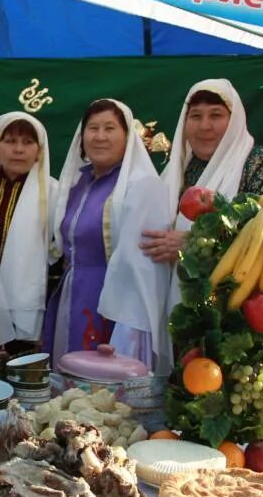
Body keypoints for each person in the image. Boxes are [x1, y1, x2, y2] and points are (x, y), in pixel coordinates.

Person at [42, 99, 171, 371]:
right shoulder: (78, 184)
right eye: (93, 128)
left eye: (110, 128)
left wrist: (130, 330)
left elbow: (144, 268)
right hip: (70, 293)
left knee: (100, 392)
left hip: (113, 304)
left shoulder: (141, 186)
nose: (100, 136)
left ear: (128, 137)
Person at [143, 79, 263, 289]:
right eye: (196, 116)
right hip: (174, 302)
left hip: (240, 303)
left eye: (216, 115)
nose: (205, 126)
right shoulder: (178, 172)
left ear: (235, 121)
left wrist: (193, 244)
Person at [0, 112, 57, 343]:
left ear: (40, 150)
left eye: (28, 142)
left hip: (25, 299)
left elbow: (59, 246)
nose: (18, 150)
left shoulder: (54, 192)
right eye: (10, 141)